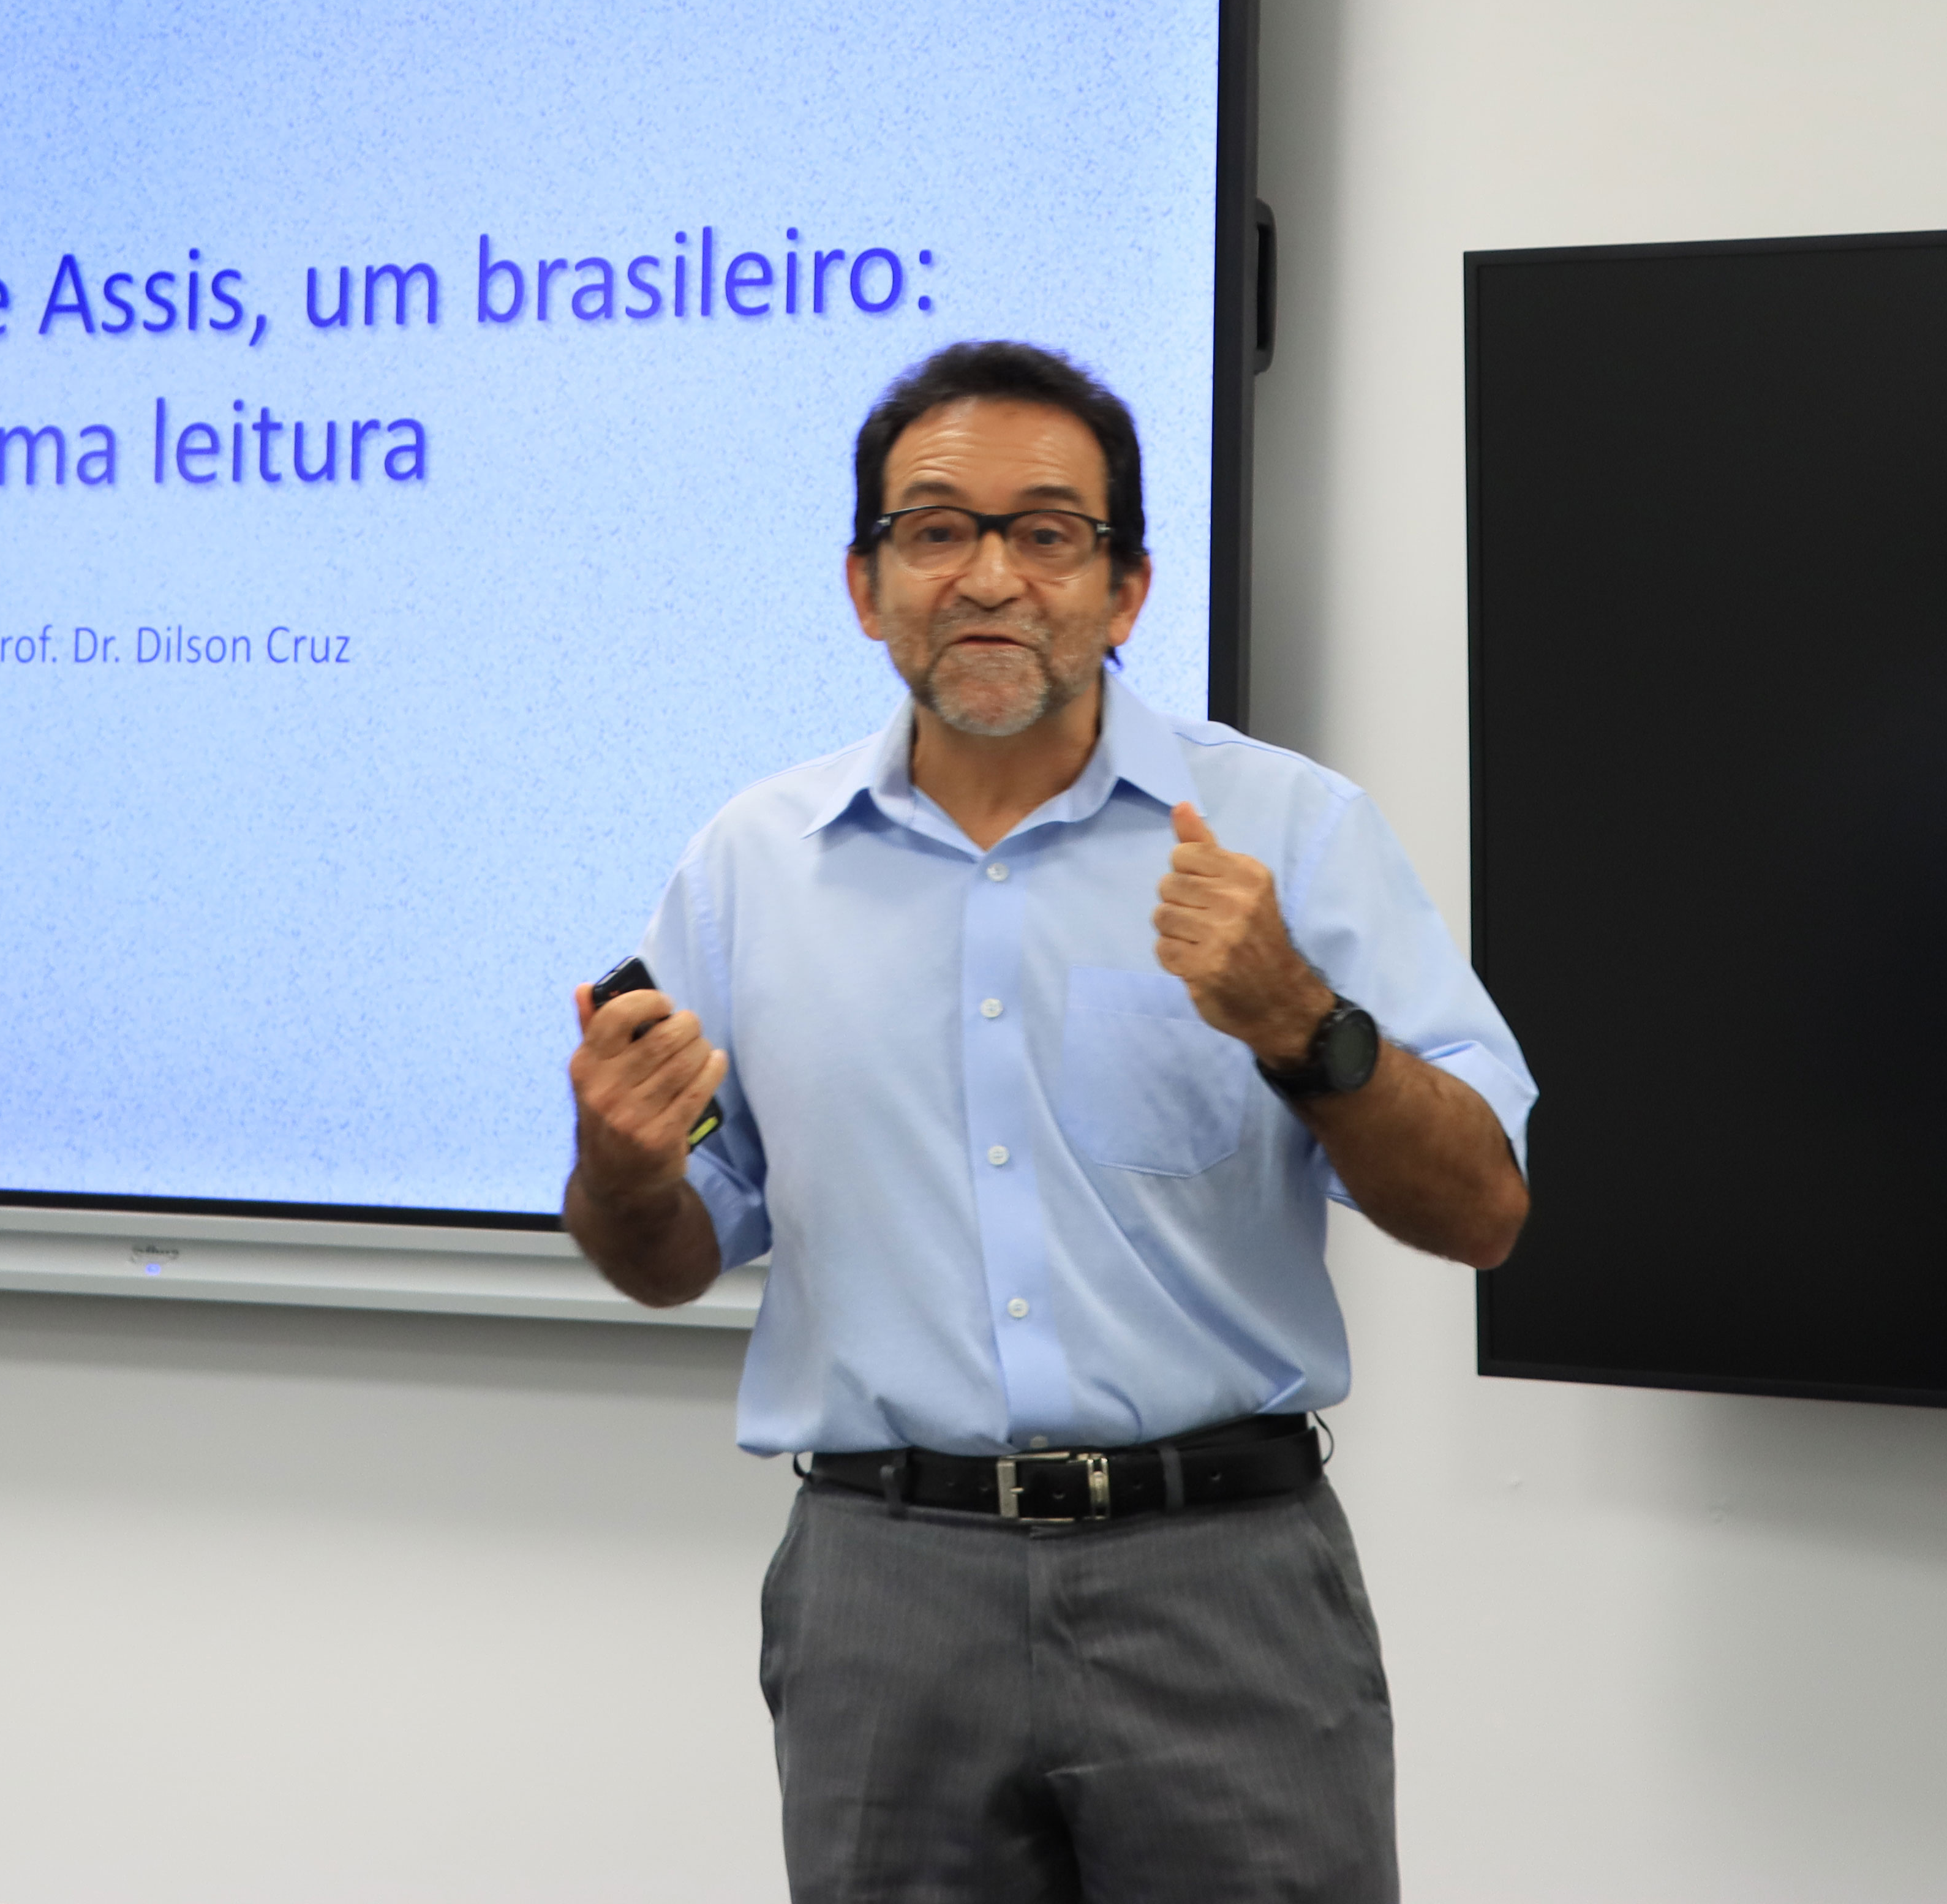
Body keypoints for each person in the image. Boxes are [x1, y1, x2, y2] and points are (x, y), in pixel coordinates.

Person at [565, 338, 1535, 1904]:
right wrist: (619, 1167)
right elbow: (670, 1252)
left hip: (1221, 1577)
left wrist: (1305, 1023)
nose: (989, 576)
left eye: (1047, 532)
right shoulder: (753, 864)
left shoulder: (1287, 830)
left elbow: (1482, 1207)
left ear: (1126, 588)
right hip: (885, 1584)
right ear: (866, 585)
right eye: (936, 530)